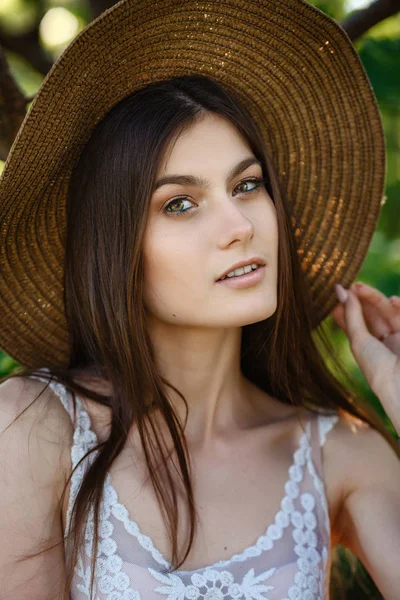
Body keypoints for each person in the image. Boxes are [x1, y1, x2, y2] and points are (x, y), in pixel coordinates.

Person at [0, 1, 399, 599]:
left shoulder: (343, 455)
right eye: (179, 204)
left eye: (247, 185)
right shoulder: (36, 424)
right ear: (116, 250)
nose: (240, 224)